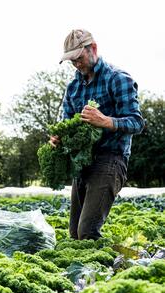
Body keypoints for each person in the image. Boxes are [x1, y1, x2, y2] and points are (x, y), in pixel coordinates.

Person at [50, 29, 144, 240]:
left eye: (79, 58)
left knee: (87, 232)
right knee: (75, 234)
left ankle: (116, 269)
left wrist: (105, 121)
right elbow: (67, 124)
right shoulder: (73, 88)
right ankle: (86, 273)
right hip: (82, 163)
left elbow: (137, 122)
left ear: (93, 49)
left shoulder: (118, 79)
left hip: (110, 159)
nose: (76, 64)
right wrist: (59, 137)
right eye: (71, 61)